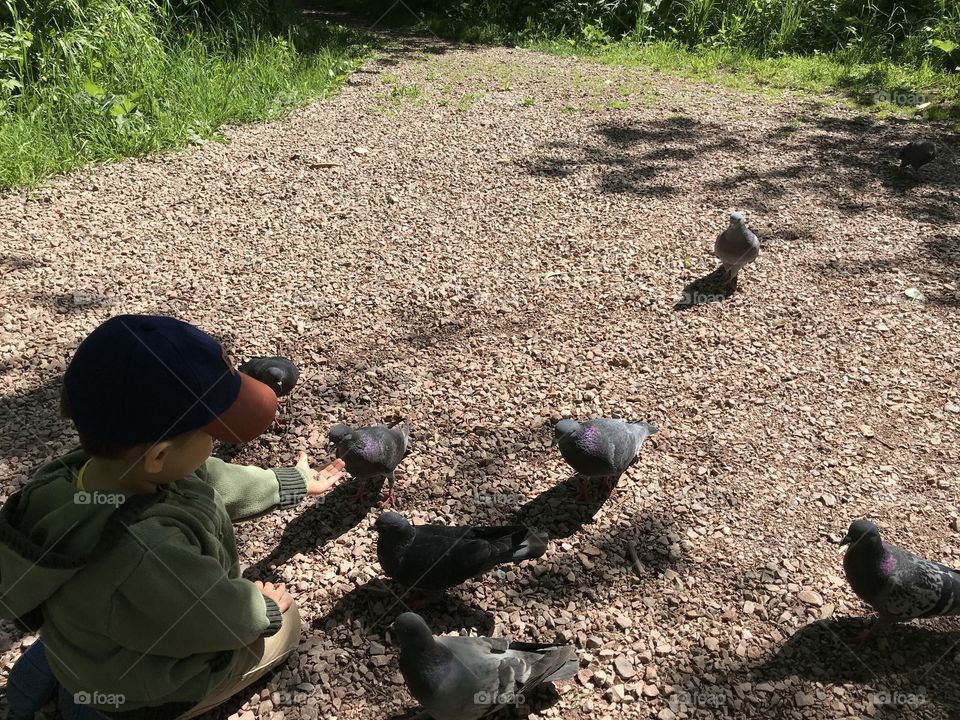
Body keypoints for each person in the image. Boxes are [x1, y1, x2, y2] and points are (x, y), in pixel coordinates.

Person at [0, 314, 344, 719]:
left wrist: (290, 483)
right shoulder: (150, 550)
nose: (215, 442)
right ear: (160, 455)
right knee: (287, 628)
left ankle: (37, 686)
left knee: (83, 630)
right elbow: (208, 615)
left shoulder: (72, 476)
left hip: (86, 638)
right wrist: (261, 609)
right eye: (210, 433)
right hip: (135, 687)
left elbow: (209, 479)